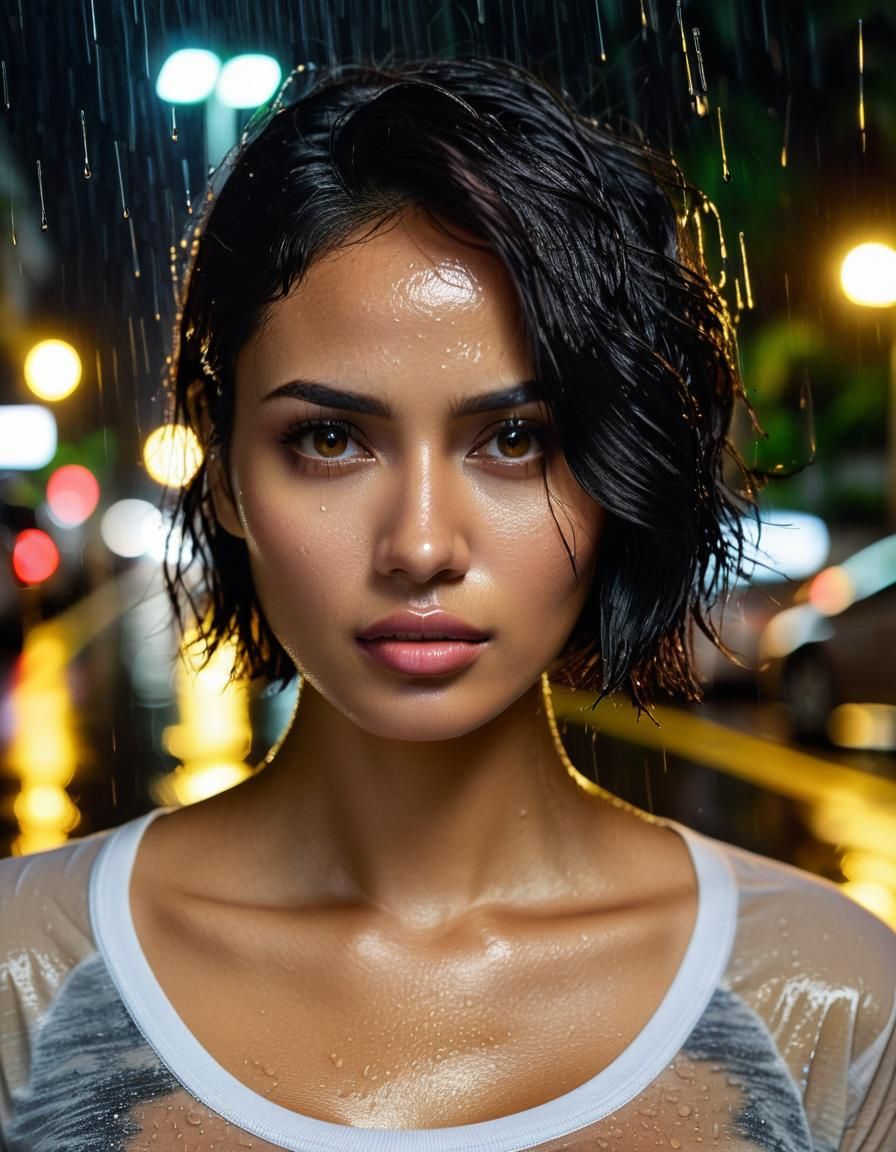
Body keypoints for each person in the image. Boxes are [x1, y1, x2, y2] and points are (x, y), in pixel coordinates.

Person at [1, 56, 893, 1152]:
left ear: (615, 466)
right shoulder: (21, 978)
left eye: (513, 439)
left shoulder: (827, 1004)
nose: (420, 546)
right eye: (330, 439)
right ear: (224, 467)